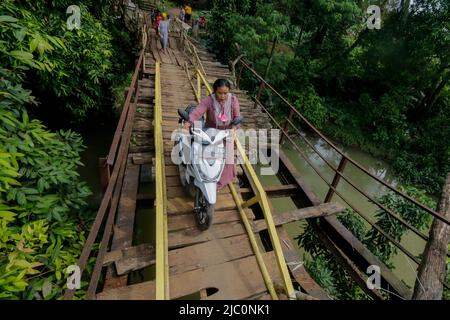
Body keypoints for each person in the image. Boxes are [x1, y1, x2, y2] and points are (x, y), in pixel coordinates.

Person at [183, 79, 241, 190]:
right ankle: (202, 175)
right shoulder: (209, 100)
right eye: (220, 93)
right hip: (211, 131)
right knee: (204, 154)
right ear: (215, 91)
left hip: (227, 132)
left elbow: (237, 117)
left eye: (225, 93)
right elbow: (197, 112)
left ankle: (218, 184)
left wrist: (234, 128)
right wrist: (188, 123)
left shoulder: (233, 100)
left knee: (228, 158)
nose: (223, 96)